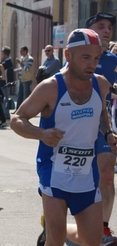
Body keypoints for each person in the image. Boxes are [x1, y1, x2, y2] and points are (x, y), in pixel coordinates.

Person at [11, 28, 117, 246]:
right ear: (68, 55)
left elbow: (101, 115)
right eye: (86, 57)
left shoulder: (101, 84)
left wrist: (108, 133)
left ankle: (52, 227)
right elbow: (17, 119)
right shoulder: (50, 88)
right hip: (53, 169)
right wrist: (41, 133)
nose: (92, 64)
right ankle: (52, 230)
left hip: (87, 172)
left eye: (96, 58)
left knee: (93, 241)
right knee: (56, 239)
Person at [86, 12, 117, 245]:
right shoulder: (77, 57)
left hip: (103, 126)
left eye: (110, 27)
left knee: (106, 174)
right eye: (101, 26)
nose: (107, 30)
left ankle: (103, 229)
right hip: (76, 125)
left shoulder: (114, 62)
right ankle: (54, 216)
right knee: (77, 176)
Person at [14, 46, 34, 110]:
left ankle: (26, 110)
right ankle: (18, 109)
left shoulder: (30, 59)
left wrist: (20, 62)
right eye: (20, 51)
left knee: (26, 96)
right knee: (19, 95)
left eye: (22, 51)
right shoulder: (22, 58)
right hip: (21, 79)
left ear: (26, 51)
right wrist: (18, 70)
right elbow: (22, 68)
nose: (20, 52)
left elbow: (26, 68)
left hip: (27, 80)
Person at [0, 46, 14, 119]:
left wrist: (0, 61)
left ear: (4, 53)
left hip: (6, 83)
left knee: (5, 98)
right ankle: (5, 112)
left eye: (2, 52)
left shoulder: (7, 61)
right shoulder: (6, 61)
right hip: (5, 83)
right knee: (4, 98)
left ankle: (6, 113)